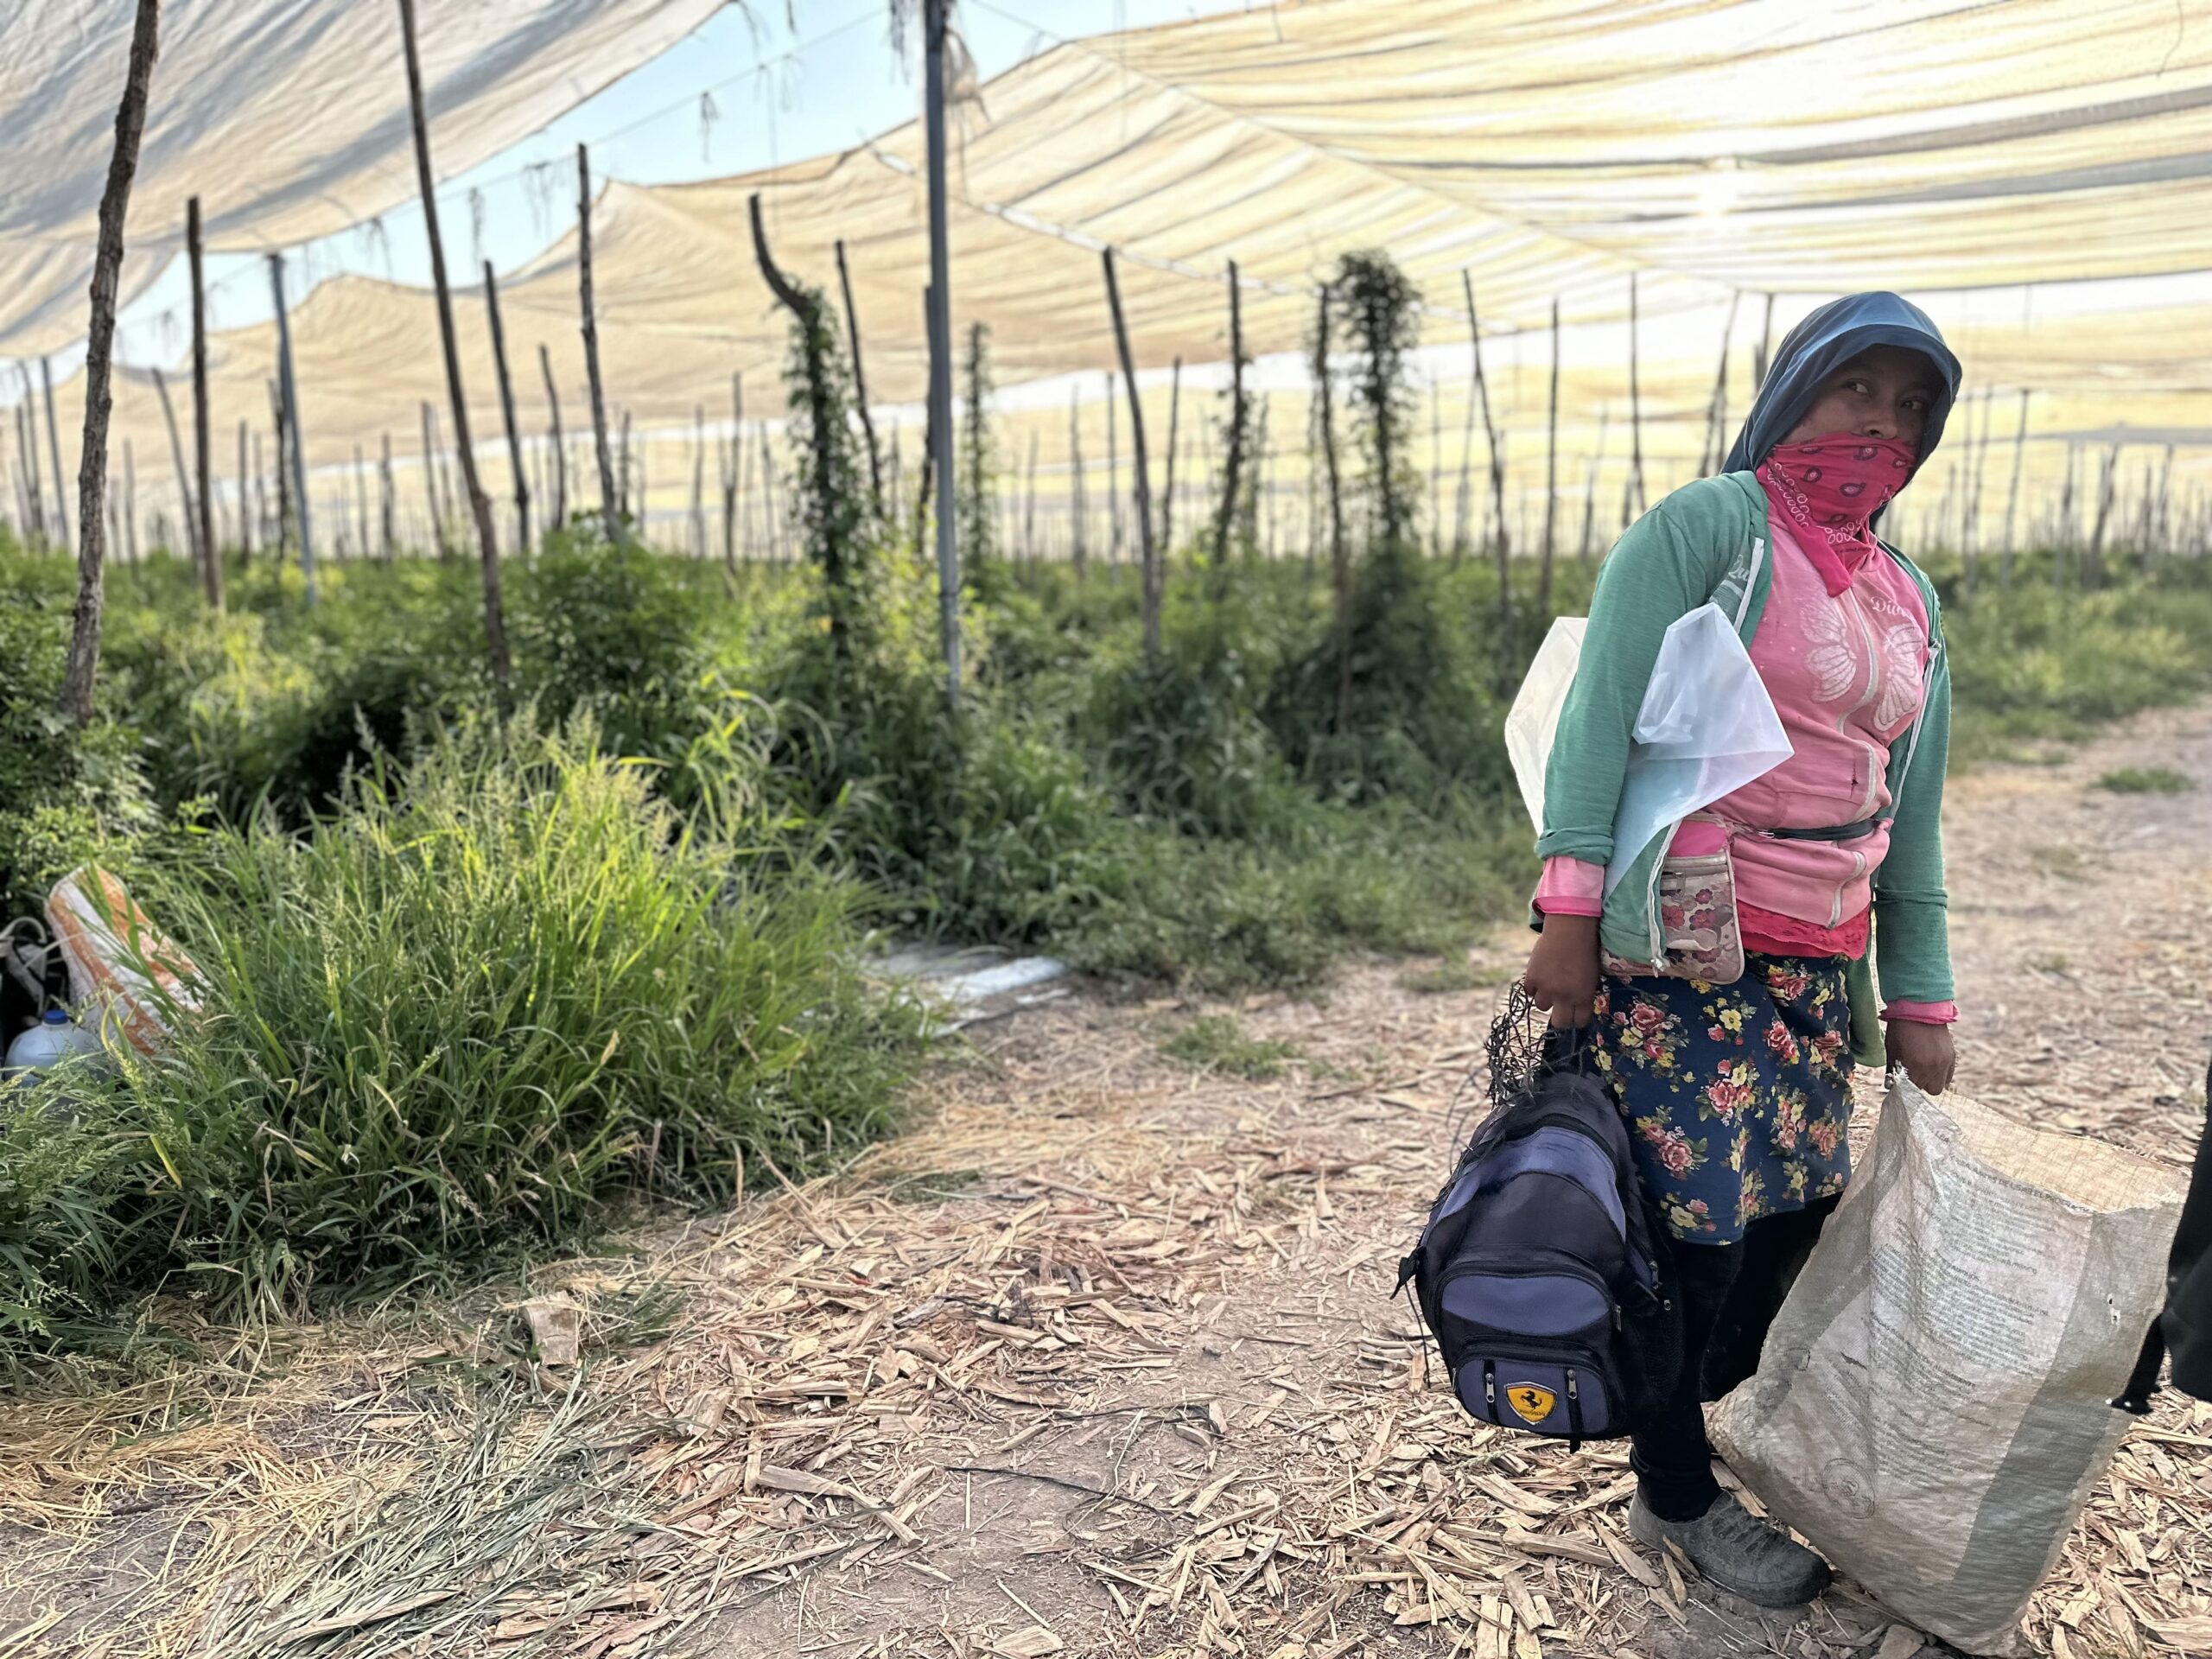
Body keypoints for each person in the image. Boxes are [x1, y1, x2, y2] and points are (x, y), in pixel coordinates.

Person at [1522, 292, 1961, 1607]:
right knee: (1696, 1237)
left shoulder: (1909, 595)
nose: (1878, 427)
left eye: (1908, 408)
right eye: (1856, 392)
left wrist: (1920, 990)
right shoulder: (1708, 530)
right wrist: (1570, 915)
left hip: (1822, 967)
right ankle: (1675, 1491)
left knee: (1793, 1229)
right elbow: (1596, 720)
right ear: (1792, 396)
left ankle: (1711, 1420)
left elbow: (1913, 805)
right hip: (1689, 963)